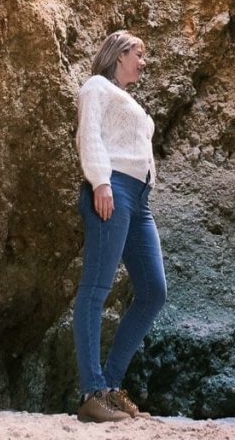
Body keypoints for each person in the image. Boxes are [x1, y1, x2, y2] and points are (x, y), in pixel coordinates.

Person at [72, 30, 167, 423]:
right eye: (139, 54)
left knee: (153, 292)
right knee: (96, 287)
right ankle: (92, 392)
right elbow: (88, 133)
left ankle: (109, 385)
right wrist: (101, 181)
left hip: (139, 198)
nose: (143, 62)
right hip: (113, 186)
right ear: (119, 53)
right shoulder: (96, 86)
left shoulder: (128, 100)